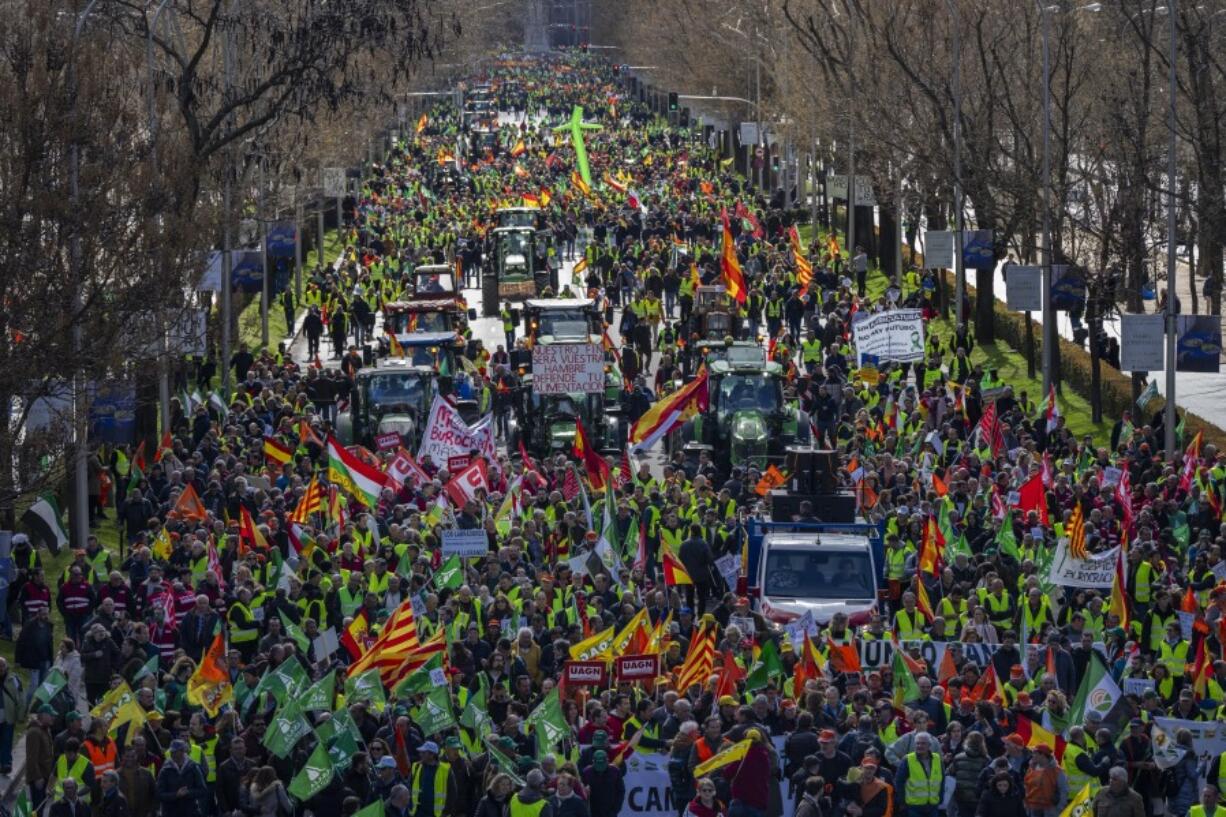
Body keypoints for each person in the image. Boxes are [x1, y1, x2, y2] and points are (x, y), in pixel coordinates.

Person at [895, 732, 943, 817]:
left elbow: (942, 780)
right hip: (914, 807)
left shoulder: (937, 758)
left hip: (933, 806)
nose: (920, 746)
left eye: (923, 743)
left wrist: (940, 798)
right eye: (918, 743)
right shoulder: (907, 759)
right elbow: (899, 782)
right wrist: (902, 802)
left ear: (929, 745)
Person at [155, 739, 207, 817]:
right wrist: (176, 795)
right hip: (170, 813)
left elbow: (202, 790)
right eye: (172, 752)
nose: (172, 754)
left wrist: (188, 793)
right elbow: (159, 794)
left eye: (175, 751)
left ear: (183, 751)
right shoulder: (165, 769)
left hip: (190, 812)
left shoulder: (193, 767)